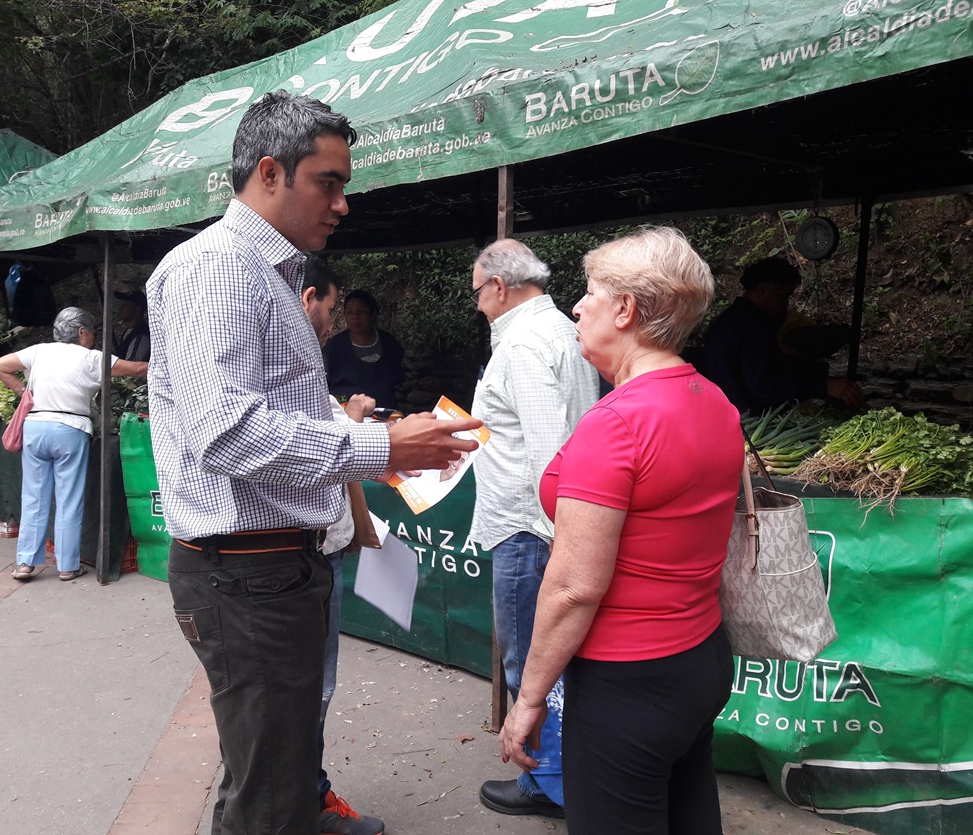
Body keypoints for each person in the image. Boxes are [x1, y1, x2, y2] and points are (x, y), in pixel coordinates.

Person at [146, 89, 479, 835]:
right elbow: (224, 431)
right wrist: (383, 447)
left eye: (343, 185)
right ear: (270, 173)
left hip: (273, 567)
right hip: (246, 573)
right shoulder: (219, 268)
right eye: (328, 182)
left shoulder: (267, 273)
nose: (342, 204)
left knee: (281, 763)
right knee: (263, 793)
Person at [497, 227, 745, 835]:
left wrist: (528, 701)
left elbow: (573, 587)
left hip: (627, 680)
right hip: (700, 658)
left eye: (590, 293)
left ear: (627, 310)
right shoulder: (714, 400)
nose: (577, 307)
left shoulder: (617, 424)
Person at [469, 239, 599, 819]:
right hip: (545, 525)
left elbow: (549, 452)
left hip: (529, 527)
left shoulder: (523, 344)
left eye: (477, 293)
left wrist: (556, 535)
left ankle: (548, 787)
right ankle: (562, 778)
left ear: (499, 286)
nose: (477, 306)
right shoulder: (562, 332)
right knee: (554, 660)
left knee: (531, 664)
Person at [300, 255, 385, 835]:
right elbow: (313, 450)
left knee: (301, 687)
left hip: (306, 554)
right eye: (333, 310)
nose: (336, 322)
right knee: (309, 685)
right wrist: (359, 428)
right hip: (298, 560)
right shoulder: (289, 363)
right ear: (308, 300)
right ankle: (303, 802)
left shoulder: (292, 361)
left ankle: (301, 794)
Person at [0, 307, 148, 581]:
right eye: (92, 333)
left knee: (33, 497)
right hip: (69, 429)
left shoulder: (39, 351)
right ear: (81, 332)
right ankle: (67, 566)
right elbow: (136, 369)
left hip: (36, 427)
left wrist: (24, 392)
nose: (93, 338)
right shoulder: (91, 358)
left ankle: (25, 563)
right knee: (68, 500)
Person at [701, 256, 862, 414]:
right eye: (782, 296)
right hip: (747, 421)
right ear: (762, 289)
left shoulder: (732, 319)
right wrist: (823, 386)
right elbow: (765, 388)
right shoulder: (751, 328)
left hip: (727, 412)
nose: (785, 304)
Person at [323, 290, 405, 409]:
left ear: (372, 314)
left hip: (387, 413)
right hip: (347, 415)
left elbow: (401, 380)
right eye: (350, 312)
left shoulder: (389, 343)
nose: (355, 317)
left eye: (361, 311)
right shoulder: (334, 348)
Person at [114, 290, 151, 362]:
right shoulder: (129, 331)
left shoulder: (141, 335)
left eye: (125, 305)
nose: (120, 309)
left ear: (137, 309)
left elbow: (130, 366)